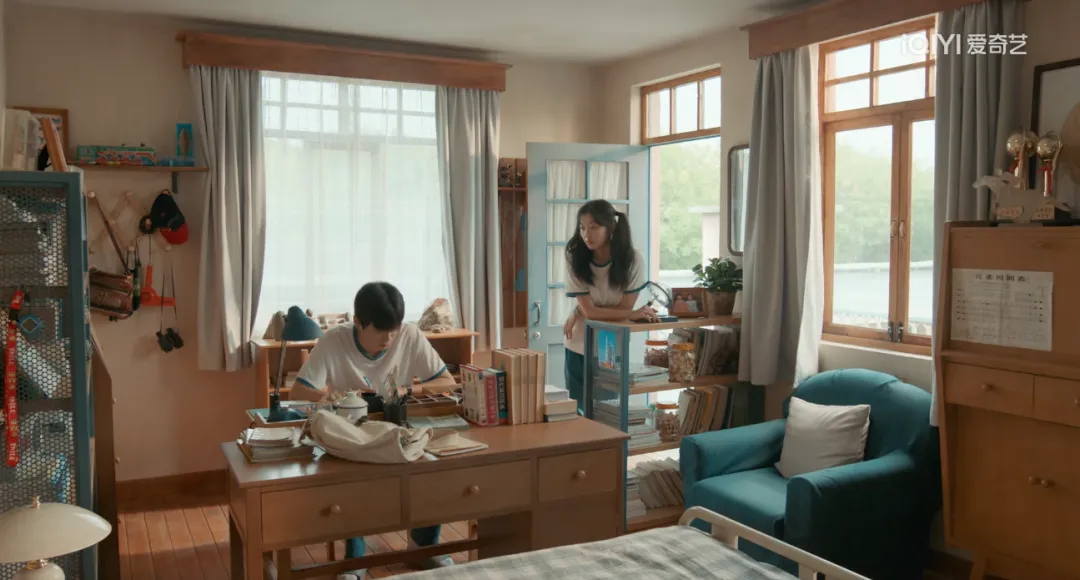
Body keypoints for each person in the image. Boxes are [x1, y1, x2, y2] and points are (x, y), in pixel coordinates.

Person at [292, 282, 456, 579]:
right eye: (380, 331)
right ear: (357, 322)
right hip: (354, 436)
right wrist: (331, 396)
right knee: (352, 473)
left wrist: (409, 389)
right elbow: (298, 393)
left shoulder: (409, 335)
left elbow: (448, 383)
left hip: (400, 431)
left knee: (432, 464)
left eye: (393, 330)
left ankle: (423, 545)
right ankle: (355, 557)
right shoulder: (333, 340)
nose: (389, 339)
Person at [563, 200, 657, 408]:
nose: (586, 234)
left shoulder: (633, 259)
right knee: (577, 412)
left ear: (611, 228)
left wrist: (586, 310)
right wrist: (585, 310)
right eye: (582, 228)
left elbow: (622, 308)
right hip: (577, 342)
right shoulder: (574, 256)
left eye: (594, 227)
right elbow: (593, 311)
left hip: (610, 344)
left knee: (607, 411)